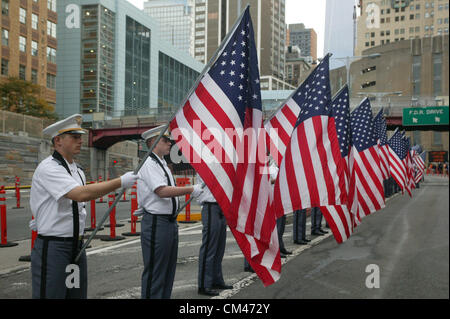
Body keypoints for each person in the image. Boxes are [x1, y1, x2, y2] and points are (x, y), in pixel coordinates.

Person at [30, 114, 138, 299]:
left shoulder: (77, 169)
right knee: (52, 294)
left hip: (76, 246)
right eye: (74, 137)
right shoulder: (49, 167)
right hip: (55, 246)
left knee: (76, 294)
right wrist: (120, 181)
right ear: (58, 141)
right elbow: (80, 194)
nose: (80, 140)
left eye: (80, 136)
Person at [136, 125, 203, 299]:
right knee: (156, 272)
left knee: (167, 270)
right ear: (153, 142)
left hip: (168, 222)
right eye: (165, 140)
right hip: (157, 222)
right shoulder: (149, 163)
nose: (169, 143)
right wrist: (190, 189)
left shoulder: (162, 163)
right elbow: (162, 191)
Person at [195, 175, 233, 296]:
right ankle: (204, 284)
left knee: (219, 247)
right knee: (209, 248)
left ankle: (216, 280)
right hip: (210, 205)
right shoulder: (206, 162)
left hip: (221, 205)